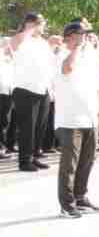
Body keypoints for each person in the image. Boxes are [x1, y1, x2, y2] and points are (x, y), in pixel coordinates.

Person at [53, 21, 99, 218]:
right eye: (80, 34)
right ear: (70, 36)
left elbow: (96, 85)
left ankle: (80, 197)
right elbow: (67, 68)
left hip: (90, 116)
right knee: (69, 165)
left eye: (85, 35)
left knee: (87, 160)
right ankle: (66, 205)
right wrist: (74, 48)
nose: (84, 38)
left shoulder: (90, 55)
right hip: (70, 120)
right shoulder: (60, 54)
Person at [10, 13, 55, 171]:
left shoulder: (42, 42)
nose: (43, 27)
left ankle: (35, 156)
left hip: (42, 89)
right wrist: (28, 29)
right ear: (31, 24)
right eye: (40, 23)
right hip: (25, 89)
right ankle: (24, 161)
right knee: (27, 128)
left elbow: (49, 64)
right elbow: (13, 45)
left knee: (39, 127)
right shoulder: (20, 38)